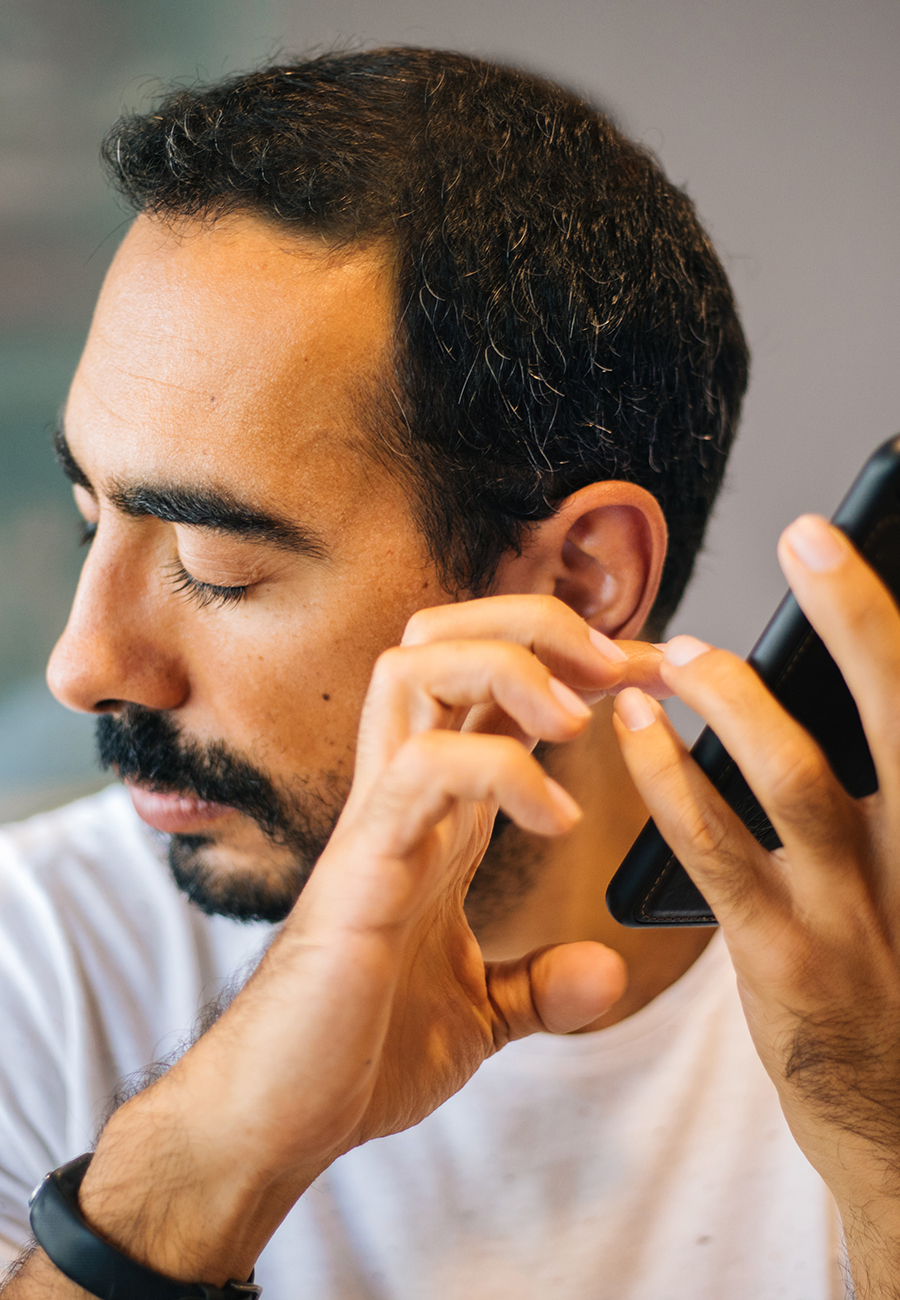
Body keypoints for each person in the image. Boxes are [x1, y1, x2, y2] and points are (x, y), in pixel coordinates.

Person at [0, 45, 897, 1300]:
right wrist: (212, 1155)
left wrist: (878, 1128)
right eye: (95, 517)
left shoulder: (881, 1021)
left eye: (215, 562)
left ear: (580, 581)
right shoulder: (34, 954)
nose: (84, 665)